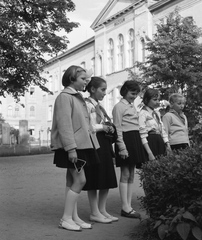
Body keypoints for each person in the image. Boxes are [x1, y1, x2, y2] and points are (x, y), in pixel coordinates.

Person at [51, 65, 100, 231]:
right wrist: (71, 148)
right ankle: (66, 218)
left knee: (72, 180)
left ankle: (73, 217)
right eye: (82, 79)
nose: (86, 82)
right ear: (72, 79)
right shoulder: (65, 97)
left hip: (80, 145)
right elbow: (64, 125)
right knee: (81, 180)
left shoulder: (76, 96)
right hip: (73, 146)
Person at [83, 76, 118, 223]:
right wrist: (103, 127)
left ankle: (102, 209)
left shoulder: (99, 106)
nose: (105, 93)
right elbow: (88, 126)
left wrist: (108, 127)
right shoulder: (87, 105)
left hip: (104, 143)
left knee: (106, 177)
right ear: (92, 89)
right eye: (102, 90)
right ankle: (94, 212)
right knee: (94, 178)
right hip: (94, 144)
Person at [112, 80, 146, 219]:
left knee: (131, 174)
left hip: (134, 139)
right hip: (125, 140)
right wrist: (122, 147)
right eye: (132, 93)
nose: (134, 96)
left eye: (136, 94)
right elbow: (117, 128)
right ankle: (125, 207)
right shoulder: (119, 107)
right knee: (125, 174)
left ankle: (128, 205)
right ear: (125, 91)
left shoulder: (132, 106)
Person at [138, 88, 171, 161]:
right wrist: (149, 153)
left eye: (158, 99)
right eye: (155, 100)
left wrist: (167, 144)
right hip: (150, 142)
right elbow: (142, 134)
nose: (158, 102)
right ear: (146, 100)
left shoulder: (157, 113)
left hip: (159, 141)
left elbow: (162, 129)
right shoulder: (142, 114)